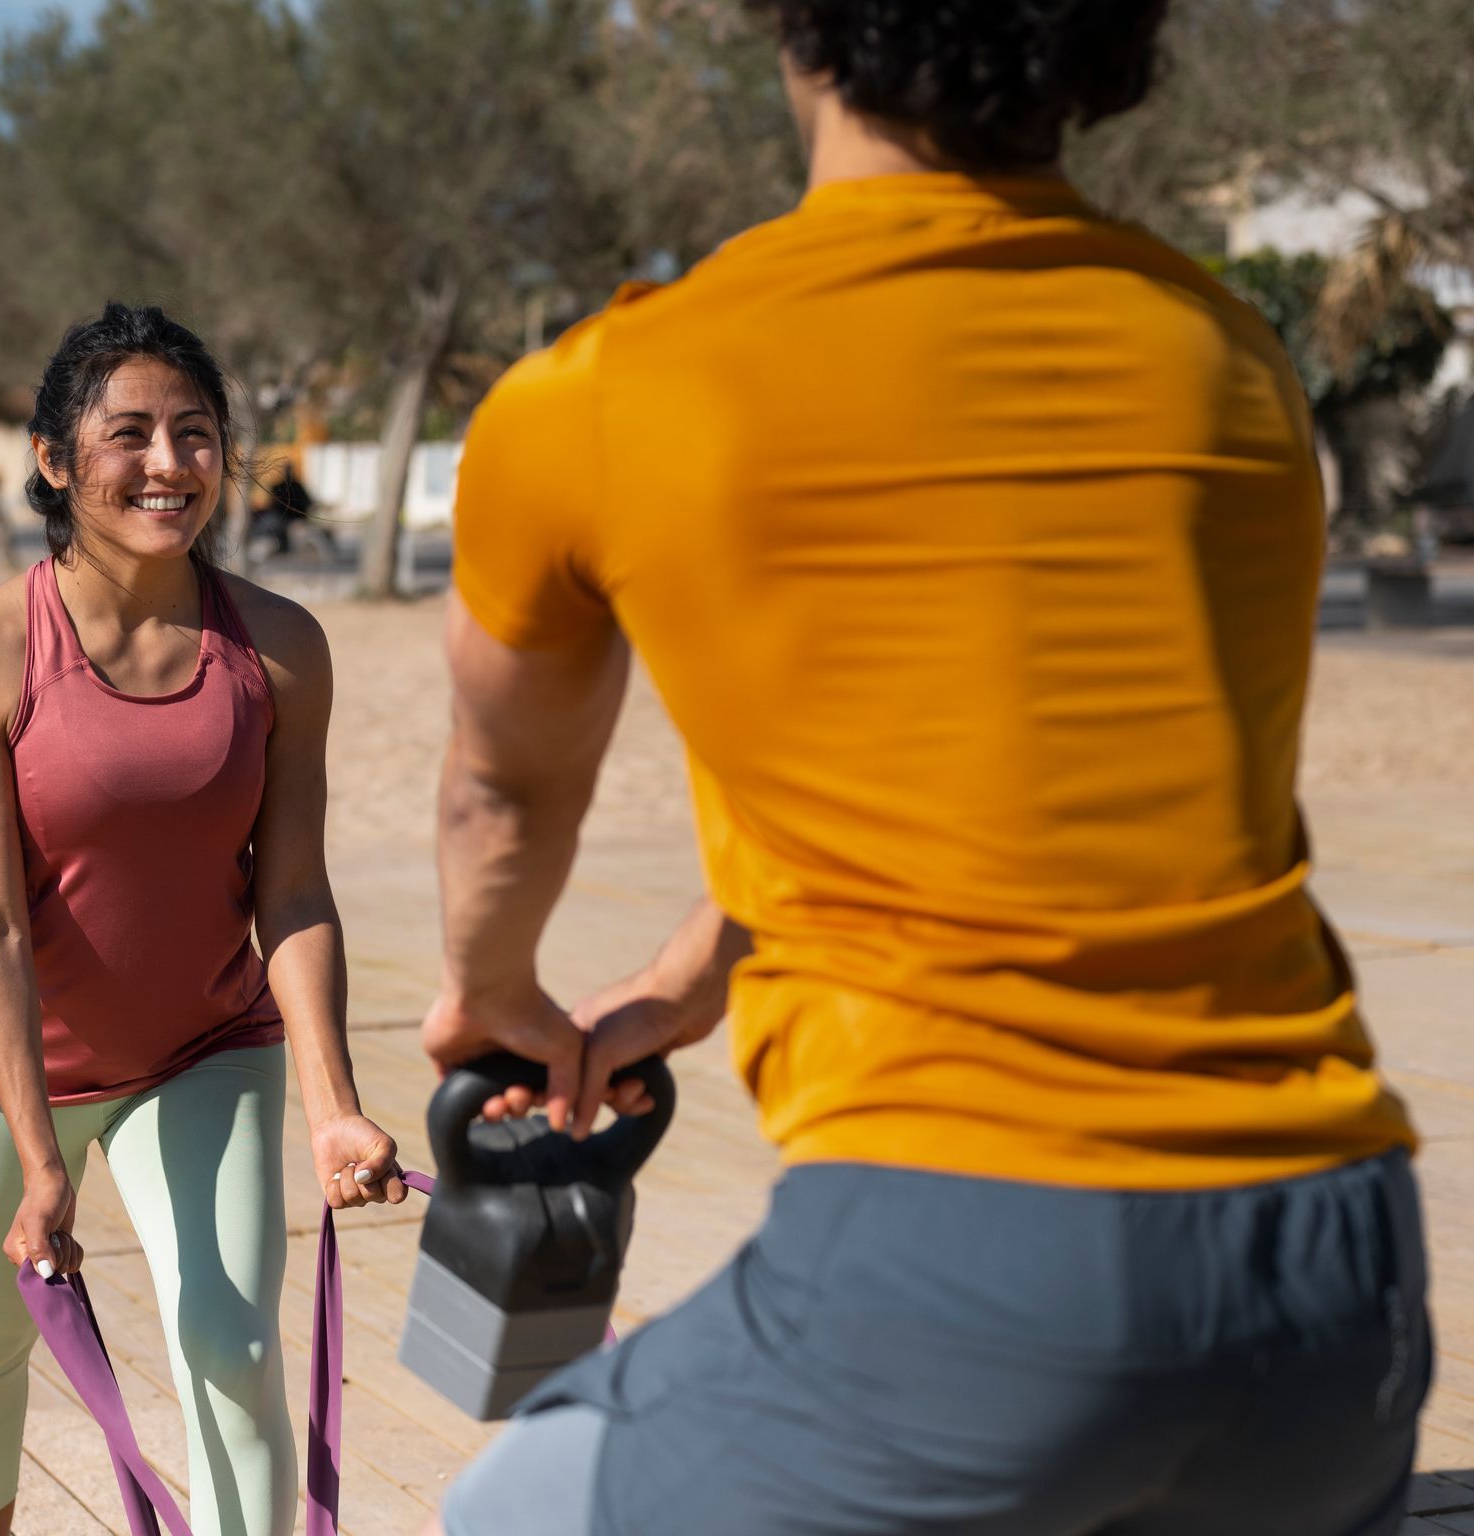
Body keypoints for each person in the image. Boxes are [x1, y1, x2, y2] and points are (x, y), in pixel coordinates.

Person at [421, 4, 1430, 1533]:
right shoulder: (1223, 355)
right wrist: (688, 989)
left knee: (509, 1517)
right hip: (1337, 1270)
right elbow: (1030, 785)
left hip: (974, 1259)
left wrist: (496, 990)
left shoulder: (610, 391)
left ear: (802, 32)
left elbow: (503, 801)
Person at [0, 302, 409, 1536]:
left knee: (233, 1351)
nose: (170, 464)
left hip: (203, 1049)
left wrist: (334, 1103)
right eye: (129, 434)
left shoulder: (279, 648)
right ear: (54, 460)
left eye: (196, 433)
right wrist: (39, 1163)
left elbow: (291, 891)